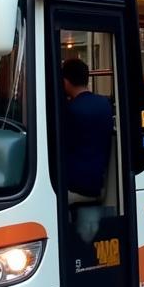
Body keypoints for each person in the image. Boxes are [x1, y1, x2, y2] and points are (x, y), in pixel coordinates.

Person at [61, 58, 113, 202]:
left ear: (65, 82)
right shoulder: (104, 104)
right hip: (99, 178)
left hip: (76, 183)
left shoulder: (70, 111)